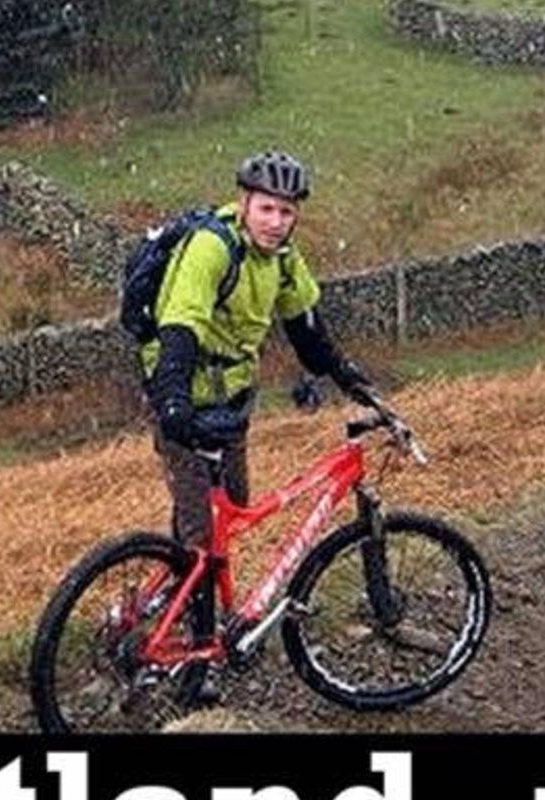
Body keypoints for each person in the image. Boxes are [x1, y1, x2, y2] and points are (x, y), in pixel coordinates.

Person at [140, 150, 374, 573]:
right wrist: (171, 397)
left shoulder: (282, 258)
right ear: (243, 202)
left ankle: (176, 586)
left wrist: (344, 374)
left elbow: (306, 329)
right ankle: (195, 631)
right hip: (181, 394)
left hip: (232, 400)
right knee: (204, 533)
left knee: (233, 504)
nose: (275, 222)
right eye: (266, 208)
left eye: (286, 212)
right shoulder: (213, 247)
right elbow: (182, 323)